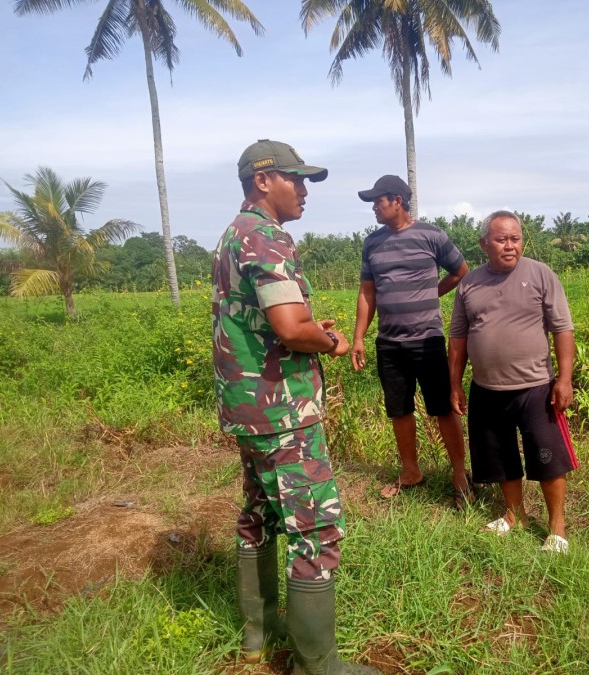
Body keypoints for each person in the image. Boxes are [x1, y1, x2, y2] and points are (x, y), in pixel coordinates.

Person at [212, 139, 377, 673]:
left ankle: (256, 639)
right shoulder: (265, 236)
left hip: (249, 407)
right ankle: (317, 665)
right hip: (282, 413)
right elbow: (288, 326)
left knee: (258, 514)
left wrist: (308, 329)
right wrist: (330, 341)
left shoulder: (231, 237)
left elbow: (269, 324)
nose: (304, 190)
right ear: (264, 180)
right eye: (296, 179)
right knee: (314, 529)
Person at [448, 210, 579, 554]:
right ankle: (514, 514)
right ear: (483, 244)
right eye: (501, 239)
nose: (509, 246)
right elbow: (458, 339)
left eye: (515, 238)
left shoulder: (540, 274)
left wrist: (564, 379)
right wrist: (455, 384)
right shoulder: (469, 284)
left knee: (548, 458)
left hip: (536, 387)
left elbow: (563, 329)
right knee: (500, 456)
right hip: (487, 389)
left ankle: (557, 528)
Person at [350, 174, 473, 507]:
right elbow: (367, 292)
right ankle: (410, 472)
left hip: (427, 340)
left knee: (443, 409)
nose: (374, 207)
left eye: (378, 201)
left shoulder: (431, 235)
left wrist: (431, 292)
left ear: (397, 201)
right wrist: (358, 337)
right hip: (389, 343)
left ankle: (460, 474)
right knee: (399, 410)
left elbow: (462, 272)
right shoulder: (372, 243)